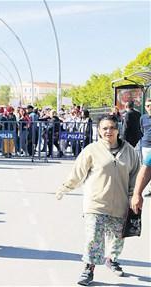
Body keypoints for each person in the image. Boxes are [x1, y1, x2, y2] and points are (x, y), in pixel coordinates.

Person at [56, 115, 140, 286]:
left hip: (120, 203)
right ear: (99, 131)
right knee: (94, 237)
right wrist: (65, 187)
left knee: (118, 237)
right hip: (96, 203)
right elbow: (78, 172)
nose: (108, 131)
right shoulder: (91, 150)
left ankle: (112, 259)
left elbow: (135, 176)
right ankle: (89, 268)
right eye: (104, 128)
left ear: (118, 129)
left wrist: (134, 195)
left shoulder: (130, 151)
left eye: (112, 127)